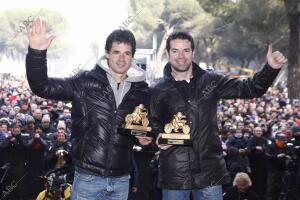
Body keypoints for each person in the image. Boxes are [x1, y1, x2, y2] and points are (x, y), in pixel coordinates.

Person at [150, 31, 287, 200]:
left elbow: (250, 88)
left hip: (209, 171)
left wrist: (270, 69)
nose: (181, 56)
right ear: (168, 53)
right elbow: (152, 122)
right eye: (175, 51)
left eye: (186, 50)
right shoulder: (158, 89)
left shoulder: (211, 81)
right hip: (174, 171)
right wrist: (157, 136)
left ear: (193, 52)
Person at [26, 18, 152, 200]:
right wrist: (37, 52)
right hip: (88, 178)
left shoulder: (142, 91)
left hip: (122, 180)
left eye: (127, 53)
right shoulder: (84, 82)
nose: (122, 58)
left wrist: (145, 137)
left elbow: (148, 127)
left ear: (132, 56)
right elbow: (42, 86)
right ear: (107, 54)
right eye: (116, 52)